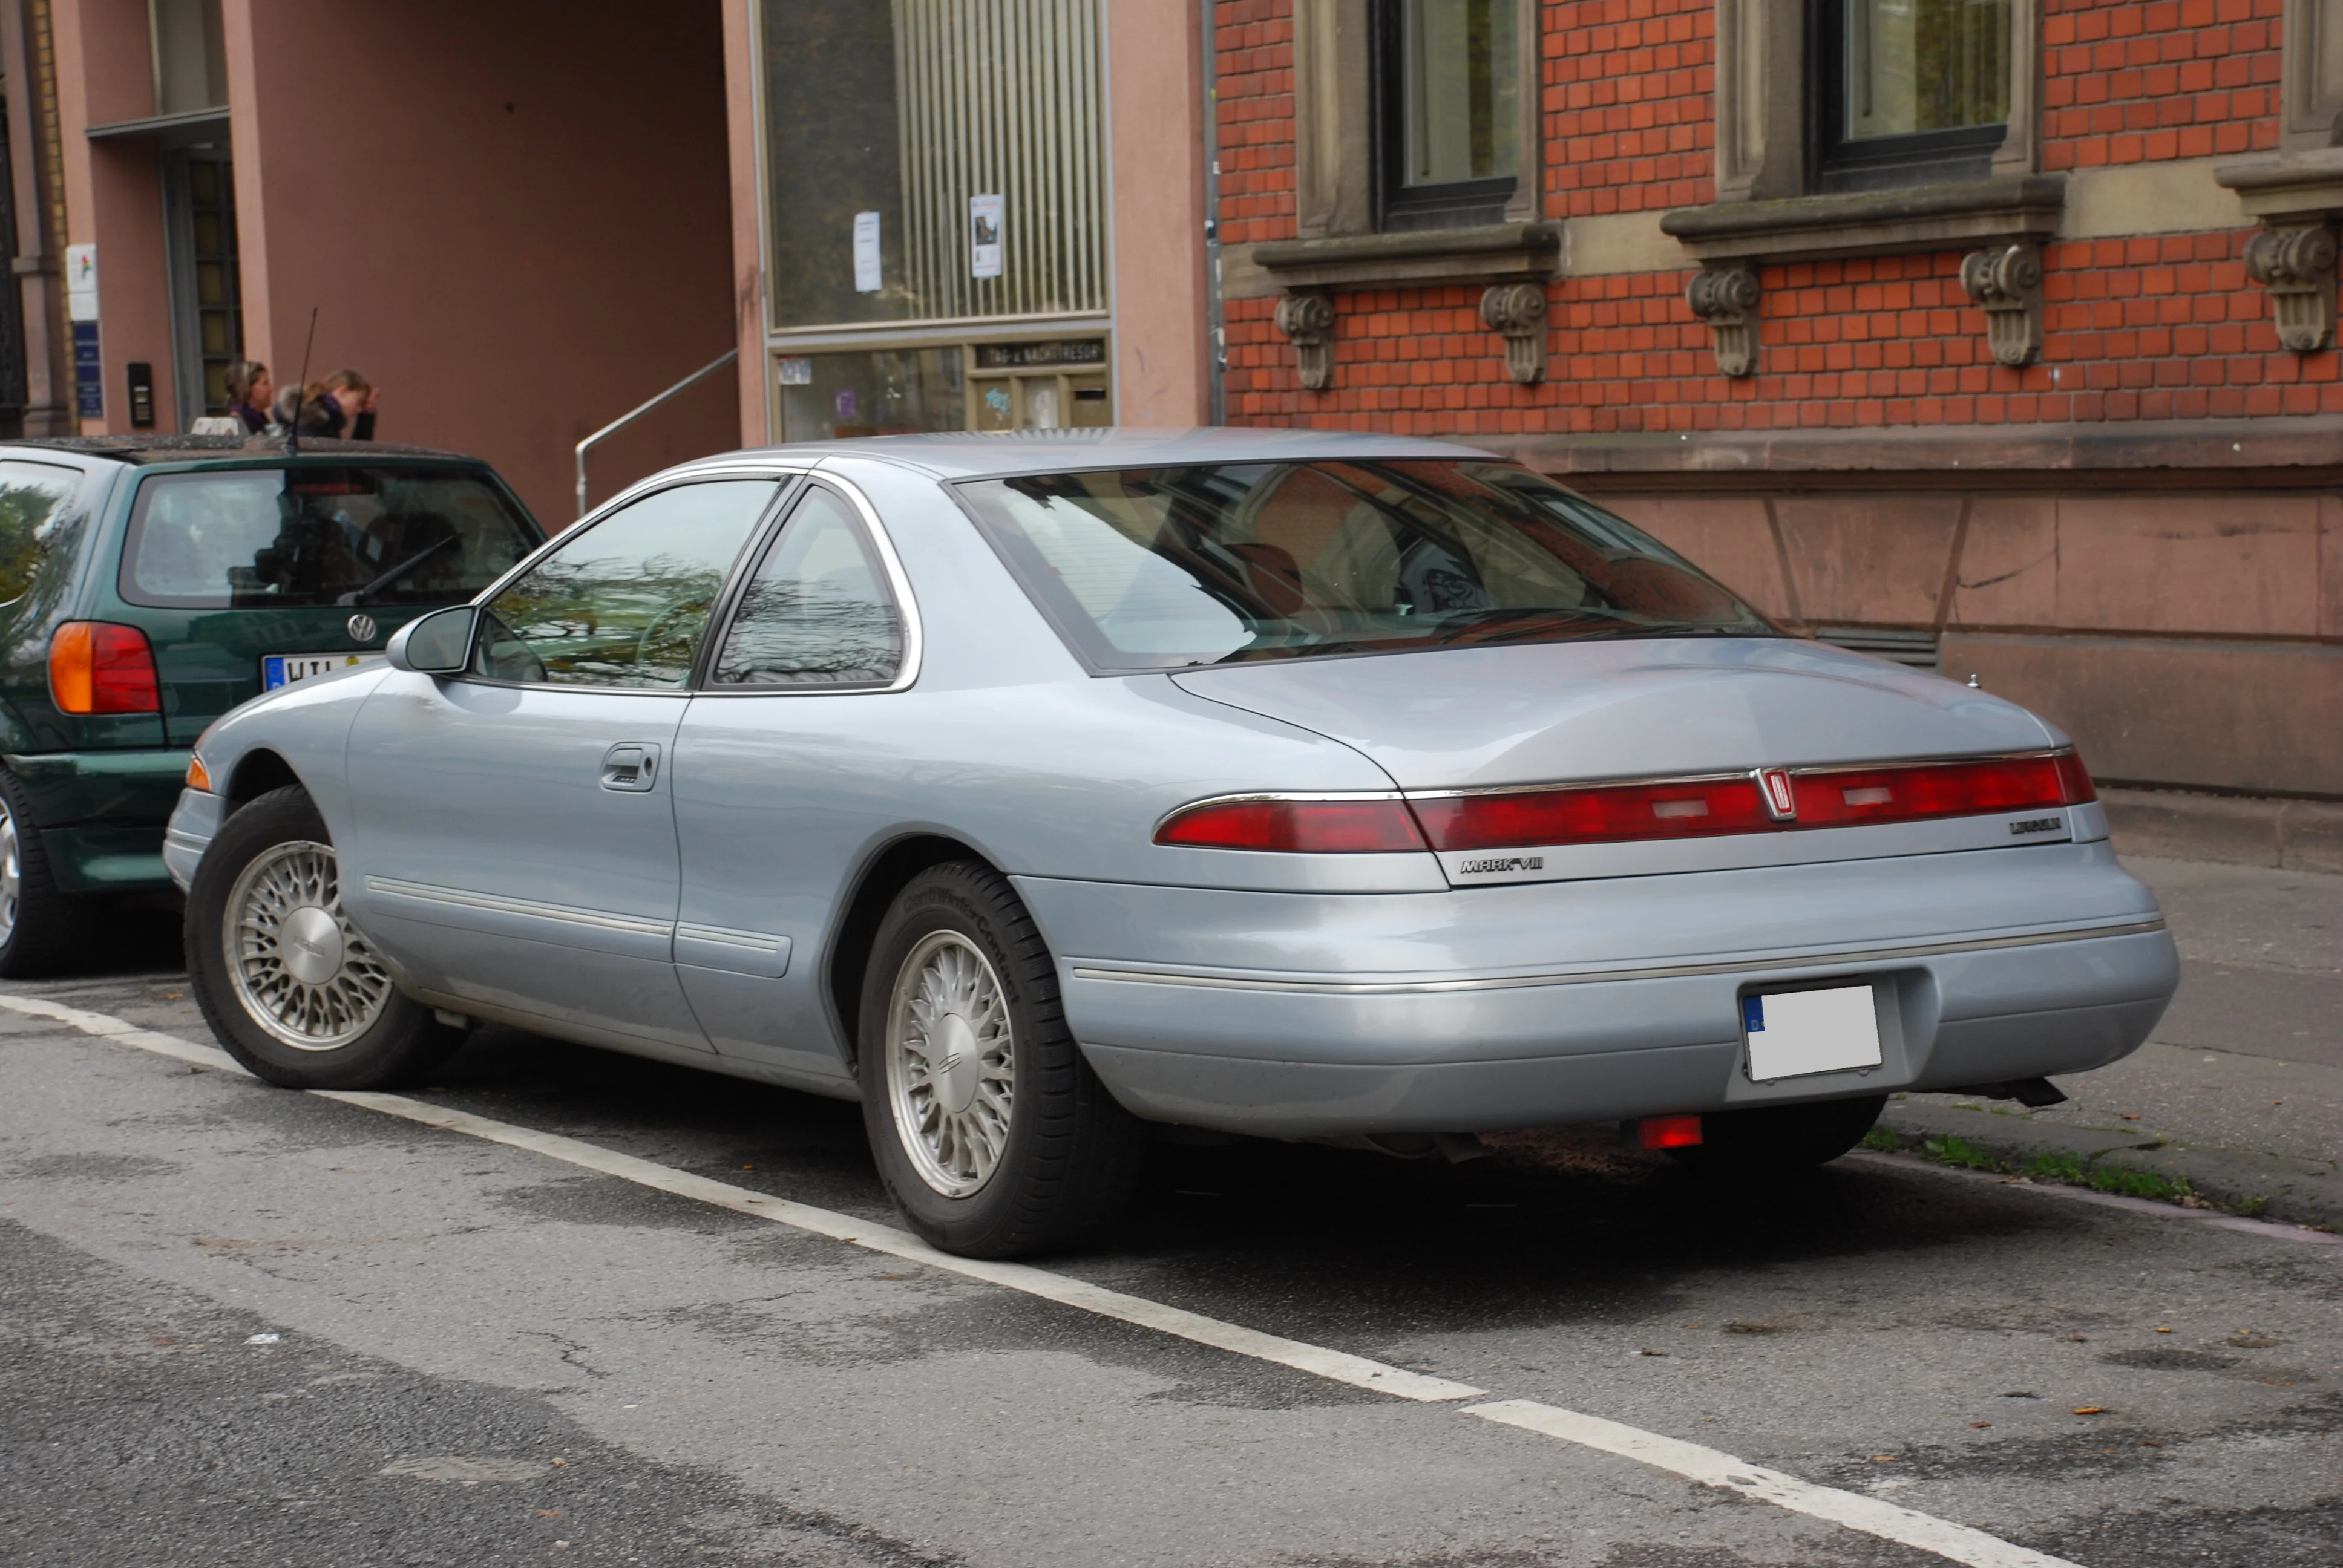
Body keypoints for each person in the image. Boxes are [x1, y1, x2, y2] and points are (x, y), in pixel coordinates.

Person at [322, 369, 378, 440]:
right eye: (359, 402)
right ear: (343, 391)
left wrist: (366, 415)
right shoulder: (316, 421)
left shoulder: (328, 420)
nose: (360, 410)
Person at [223, 361, 273, 434]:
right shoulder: (239, 424)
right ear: (248, 388)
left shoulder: (259, 417)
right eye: (265, 383)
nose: (271, 388)